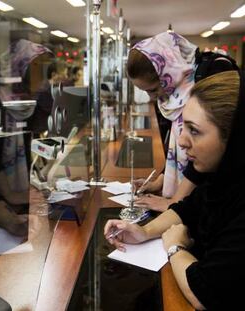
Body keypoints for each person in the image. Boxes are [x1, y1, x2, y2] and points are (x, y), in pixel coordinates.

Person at [104, 71, 245, 310]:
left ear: (234, 138)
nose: (181, 141)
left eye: (194, 130)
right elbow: (187, 208)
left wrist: (175, 247)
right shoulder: (222, 179)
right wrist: (144, 231)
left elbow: (204, 293)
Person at [127, 31, 236, 212]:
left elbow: (207, 152)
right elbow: (174, 149)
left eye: (153, 89)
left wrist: (177, 202)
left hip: (220, 192)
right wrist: (161, 181)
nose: (152, 97)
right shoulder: (167, 96)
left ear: (168, 71)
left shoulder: (214, 73)